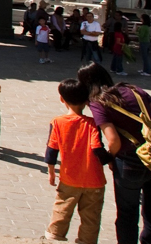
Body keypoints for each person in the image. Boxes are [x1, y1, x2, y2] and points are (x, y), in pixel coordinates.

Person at [80, 63, 151, 244]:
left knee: (127, 214)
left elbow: (113, 140)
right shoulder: (136, 90)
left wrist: (110, 159)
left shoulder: (98, 103)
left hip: (130, 163)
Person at [46, 78, 107, 244]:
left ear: (62, 99)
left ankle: (54, 238)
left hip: (69, 178)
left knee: (61, 210)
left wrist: (51, 172)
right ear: (86, 101)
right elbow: (97, 147)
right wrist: (110, 160)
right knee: (91, 218)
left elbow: (52, 150)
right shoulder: (93, 123)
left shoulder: (57, 122)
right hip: (94, 180)